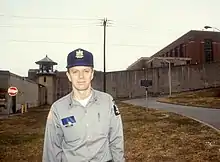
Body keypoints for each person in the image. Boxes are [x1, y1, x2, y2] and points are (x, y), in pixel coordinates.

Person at [42, 48, 125, 162]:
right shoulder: (58, 109)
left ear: (92, 74)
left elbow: (116, 139)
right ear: (69, 75)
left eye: (86, 71)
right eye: (75, 72)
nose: (81, 77)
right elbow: (51, 150)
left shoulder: (107, 101)